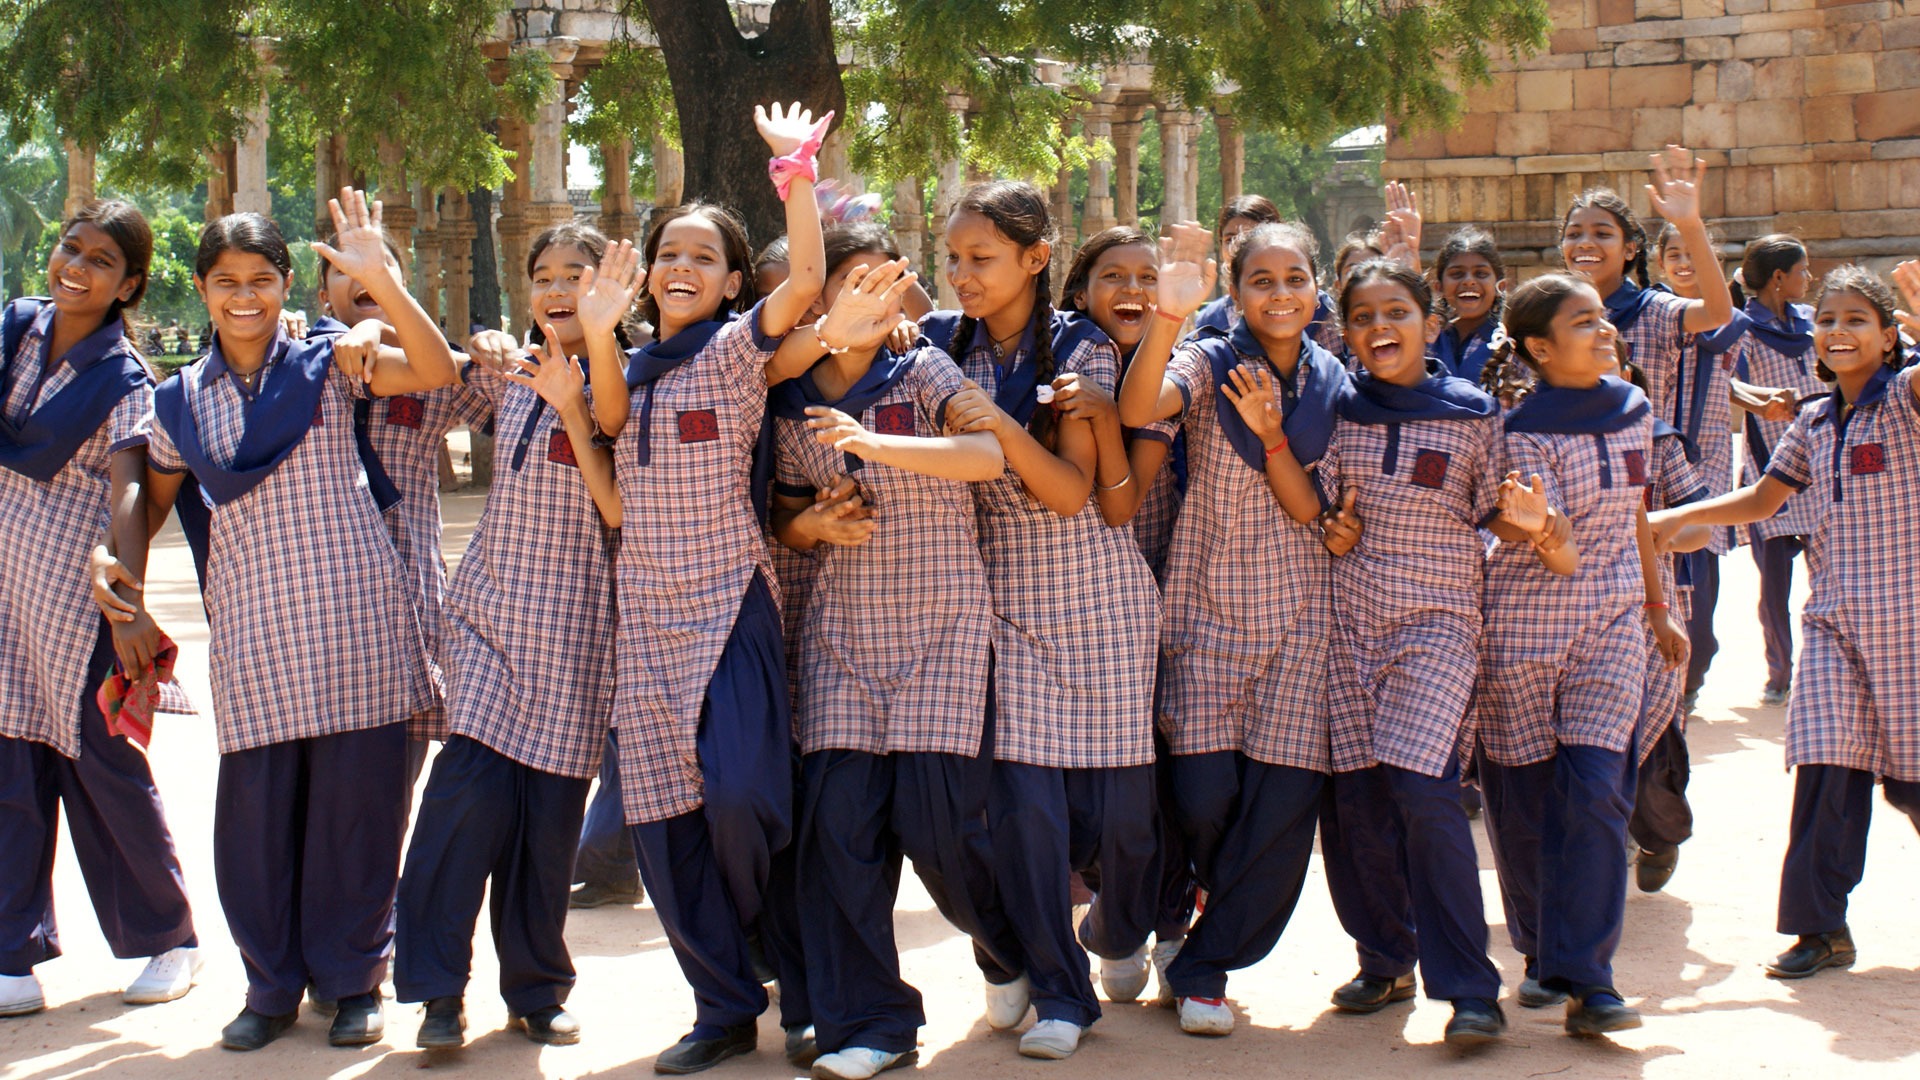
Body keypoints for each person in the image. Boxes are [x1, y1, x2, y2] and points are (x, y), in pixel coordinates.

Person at [101, 192, 455, 1051]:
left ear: (287, 282)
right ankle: (270, 987)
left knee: (358, 814)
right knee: (256, 826)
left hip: (357, 620)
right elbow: (147, 501)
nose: (246, 297)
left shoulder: (334, 364)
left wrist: (380, 283)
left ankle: (353, 982)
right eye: (226, 282)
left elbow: (440, 371)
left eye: (262, 279)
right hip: (257, 631)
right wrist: (121, 580)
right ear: (201, 288)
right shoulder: (181, 401)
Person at [580, 102, 885, 1076]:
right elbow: (611, 421)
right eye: (670, 252)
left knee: (748, 798)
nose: (683, 268)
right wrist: (594, 332)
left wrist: (796, 171)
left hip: (733, 609)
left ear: (728, 280)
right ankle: (719, 1008)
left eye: (705, 257)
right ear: (646, 268)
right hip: (646, 624)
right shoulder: (627, 367)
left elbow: (804, 279)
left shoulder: (737, 352)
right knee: (666, 824)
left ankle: (772, 956)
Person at [928, 179, 1162, 1059]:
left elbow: (1071, 495)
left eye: (981, 258)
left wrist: (996, 425)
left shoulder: (1083, 353)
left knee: (1121, 829)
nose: (962, 275)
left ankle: (1120, 932)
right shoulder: (940, 350)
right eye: (953, 258)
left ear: (1035, 260)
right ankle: (1060, 994)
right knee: (1027, 821)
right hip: (1005, 614)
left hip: (1101, 606)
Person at [773, 222, 1006, 1080]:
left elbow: (987, 456)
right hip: (842, 640)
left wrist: (879, 446)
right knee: (837, 833)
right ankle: (872, 1024)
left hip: (942, 629)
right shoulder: (786, 393)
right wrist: (810, 523)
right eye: (854, 283)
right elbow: (782, 514)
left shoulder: (925, 368)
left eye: (888, 282)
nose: (876, 299)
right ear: (823, 296)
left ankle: (1012, 950)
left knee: (940, 829)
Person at [393, 221, 628, 1051]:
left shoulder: (631, 382)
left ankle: (536, 991)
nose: (558, 289)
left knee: (548, 825)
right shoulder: (509, 375)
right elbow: (424, 378)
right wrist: (390, 303)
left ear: (612, 288)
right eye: (544, 275)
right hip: (492, 622)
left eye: (578, 274)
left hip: (579, 640)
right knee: (464, 803)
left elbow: (623, 506)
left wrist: (584, 374)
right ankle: (436, 994)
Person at [1652, 264, 1920, 981]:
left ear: (1890, 337)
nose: (1837, 330)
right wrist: (1672, 520)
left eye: (1858, 320)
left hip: (1913, 634)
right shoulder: (1814, 419)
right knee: (1827, 764)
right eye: (1828, 319)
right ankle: (1820, 927)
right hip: (1835, 625)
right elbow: (1762, 499)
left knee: (1912, 786)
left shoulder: (1904, 403)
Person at [1269, 260, 1508, 1047]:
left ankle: (1471, 988)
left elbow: (1495, 515)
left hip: (1438, 628)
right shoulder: (1336, 411)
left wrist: (1531, 523)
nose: (1381, 327)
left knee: (1425, 790)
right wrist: (1334, 527)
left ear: (1428, 324)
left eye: (1397, 311)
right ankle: (1384, 956)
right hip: (1346, 625)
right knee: (1357, 802)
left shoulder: (1474, 417)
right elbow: (1322, 503)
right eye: (1364, 315)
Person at [1115, 220, 1341, 1038]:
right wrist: (1172, 315)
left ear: (1315, 288)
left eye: (1294, 279)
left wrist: (1293, 454)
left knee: (1280, 813)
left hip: (1303, 620)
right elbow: (1141, 406)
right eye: (1261, 280)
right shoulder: (1212, 361)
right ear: (1237, 292)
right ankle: (1194, 907)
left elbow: (1323, 506)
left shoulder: (1333, 382)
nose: (1280, 294)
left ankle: (1206, 966)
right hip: (1207, 612)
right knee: (1204, 796)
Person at [0, 201, 201, 1017]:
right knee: (8, 765)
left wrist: (124, 602)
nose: (75, 266)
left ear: (131, 284)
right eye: (69, 247)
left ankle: (168, 938)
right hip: (3, 596)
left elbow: (128, 491)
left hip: (70, 602)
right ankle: (12, 953)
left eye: (101, 260)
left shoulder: (124, 382)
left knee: (101, 764)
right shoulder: (15, 329)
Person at [1472, 272, 1686, 1038]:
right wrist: (1546, 530)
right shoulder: (1517, 431)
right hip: (1523, 638)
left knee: (1598, 791)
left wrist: (1657, 607)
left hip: (1612, 632)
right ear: (1538, 347)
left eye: (1604, 318)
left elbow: (1637, 514)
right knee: (1525, 808)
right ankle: (1540, 953)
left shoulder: (1634, 408)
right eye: (1584, 323)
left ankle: (1591, 980)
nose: (1605, 331)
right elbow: (1554, 554)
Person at [309, 227, 493, 782]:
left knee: (390, 785)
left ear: (403, 284)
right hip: (320, 605)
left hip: (405, 598)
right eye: (344, 269)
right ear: (321, 297)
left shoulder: (430, 376)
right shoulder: (298, 366)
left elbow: (507, 402)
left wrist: (490, 346)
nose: (363, 275)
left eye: (380, 268)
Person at [1731, 235, 1820, 709]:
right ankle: (1779, 672)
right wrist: (1762, 399)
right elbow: (1729, 383)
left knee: (1829, 579)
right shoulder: (1742, 329)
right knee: (1774, 590)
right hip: (1769, 472)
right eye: (1803, 270)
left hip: (1822, 473)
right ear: (1779, 278)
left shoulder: (1812, 323)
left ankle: (1827, 665)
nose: (1810, 279)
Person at [1430, 226, 1506, 386]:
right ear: (1439, 288)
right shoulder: (1428, 340)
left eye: (1481, 274)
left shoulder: (1511, 343)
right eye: (1457, 274)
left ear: (1501, 286)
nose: (1468, 281)